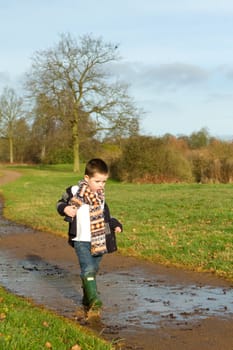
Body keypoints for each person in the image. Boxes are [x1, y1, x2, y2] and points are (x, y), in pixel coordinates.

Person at [56, 158, 122, 315]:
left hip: (99, 240)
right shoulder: (73, 191)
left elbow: (106, 217)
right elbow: (59, 204)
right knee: (88, 269)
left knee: (93, 270)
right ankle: (94, 300)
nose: (101, 185)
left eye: (104, 181)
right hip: (81, 240)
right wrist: (65, 209)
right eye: (97, 181)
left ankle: (87, 299)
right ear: (87, 178)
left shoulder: (100, 197)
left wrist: (115, 224)